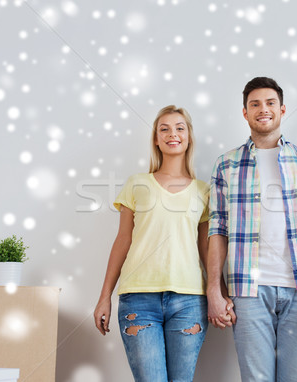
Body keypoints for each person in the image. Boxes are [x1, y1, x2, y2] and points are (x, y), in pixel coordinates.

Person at [207, 77, 297, 381]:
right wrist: (214, 289)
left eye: (269, 103)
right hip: (248, 292)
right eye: (255, 104)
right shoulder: (226, 165)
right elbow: (218, 229)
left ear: (282, 109)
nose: (262, 109)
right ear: (245, 113)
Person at [94, 105, 223, 382]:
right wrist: (104, 296)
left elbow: (206, 248)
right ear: (155, 138)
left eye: (179, 128)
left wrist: (219, 291)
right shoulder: (137, 183)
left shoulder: (203, 191)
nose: (172, 134)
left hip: (190, 301)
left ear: (188, 137)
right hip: (139, 299)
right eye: (164, 129)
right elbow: (122, 240)